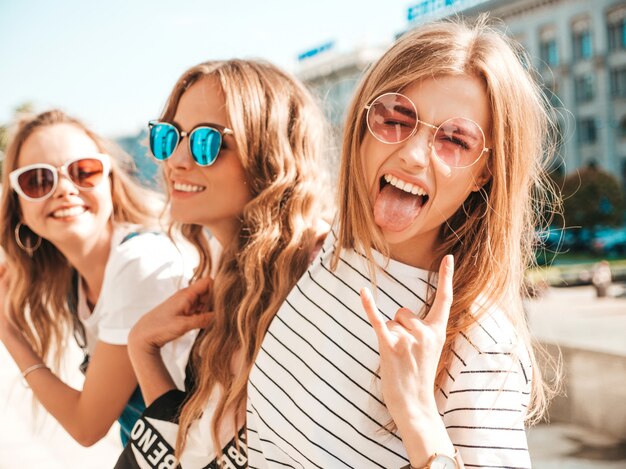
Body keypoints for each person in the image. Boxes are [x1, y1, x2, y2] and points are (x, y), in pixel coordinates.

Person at [246, 17, 559, 469]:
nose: (413, 154)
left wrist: (417, 414)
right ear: (361, 126)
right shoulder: (338, 248)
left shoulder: (480, 344)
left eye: (455, 139)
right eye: (396, 118)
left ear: (485, 174)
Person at [113, 59, 331, 468]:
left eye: (205, 141)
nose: (176, 160)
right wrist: (143, 347)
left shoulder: (319, 276)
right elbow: (193, 448)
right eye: (168, 137)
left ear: (269, 154)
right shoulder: (232, 271)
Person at [0, 110, 196, 446]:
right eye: (37, 180)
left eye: (83, 172)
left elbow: (87, 425)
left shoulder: (140, 262)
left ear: (111, 182)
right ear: (19, 205)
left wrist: (6, 330)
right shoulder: (76, 282)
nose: (64, 189)